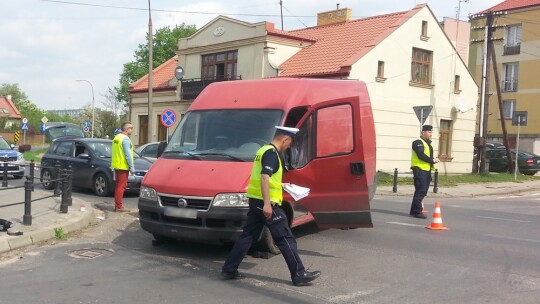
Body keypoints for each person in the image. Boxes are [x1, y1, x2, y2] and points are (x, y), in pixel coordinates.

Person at [221, 126, 321, 286]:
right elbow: (264, 177)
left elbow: (268, 177)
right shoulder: (271, 153)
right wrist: (267, 204)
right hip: (265, 204)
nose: (289, 146)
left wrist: (281, 184)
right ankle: (299, 274)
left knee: (248, 236)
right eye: (290, 143)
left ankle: (229, 269)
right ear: (285, 139)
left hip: (255, 201)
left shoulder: (263, 150)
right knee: (285, 238)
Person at [410, 125, 439, 219]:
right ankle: (417, 212)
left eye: (431, 132)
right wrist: (432, 160)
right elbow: (420, 155)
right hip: (420, 170)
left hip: (426, 170)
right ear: (423, 132)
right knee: (420, 191)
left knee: (423, 191)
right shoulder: (417, 142)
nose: (431, 134)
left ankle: (413, 210)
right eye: (429, 132)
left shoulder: (428, 144)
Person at [111, 122, 135, 212]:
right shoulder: (125, 139)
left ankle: (117, 205)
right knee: (121, 187)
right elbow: (128, 154)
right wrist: (132, 167)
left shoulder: (116, 138)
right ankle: (119, 206)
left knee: (118, 186)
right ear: (127, 129)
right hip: (123, 166)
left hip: (116, 165)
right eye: (131, 128)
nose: (132, 130)